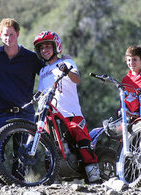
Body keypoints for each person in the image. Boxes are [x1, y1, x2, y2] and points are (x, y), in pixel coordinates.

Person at [33, 30, 100, 184]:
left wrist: (67, 70)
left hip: (71, 113)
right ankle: (53, 177)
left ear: (56, 46)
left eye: (48, 46)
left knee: (82, 140)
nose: (45, 50)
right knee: (48, 146)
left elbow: (76, 79)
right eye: (41, 48)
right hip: (51, 116)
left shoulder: (67, 62)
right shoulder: (42, 71)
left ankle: (94, 175)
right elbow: (41, 92)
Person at [0, 18, 43, 141]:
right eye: (5, 35)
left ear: (17, 34)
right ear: (0, 35)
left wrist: (62, 61)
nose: (8, 38)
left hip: (26, 114)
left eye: (11, 35)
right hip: (1, 114)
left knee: (24, 157)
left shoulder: (31, 57)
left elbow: (48, 72)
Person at [121, 45, 141, 113]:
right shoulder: (125, 80)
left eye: (134, 59)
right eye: (129, 60)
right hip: (131, 120)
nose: (131, 63)